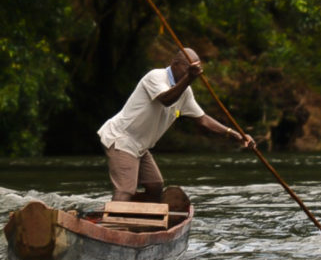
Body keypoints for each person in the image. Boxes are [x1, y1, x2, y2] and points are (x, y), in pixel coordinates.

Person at [97, 48, 256, 202]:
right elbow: (166, 100)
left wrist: (236, 135)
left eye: (195, 69)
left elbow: (203, 119)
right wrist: (189, 78)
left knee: (155, 186)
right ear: (175, 64)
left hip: (140, 146)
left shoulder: (185, 92)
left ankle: (143, 219)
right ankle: (113, 223)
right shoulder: (156, 77)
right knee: (125, 189)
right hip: (122, 139)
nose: (192, 72)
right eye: (188, 68)